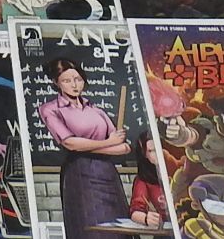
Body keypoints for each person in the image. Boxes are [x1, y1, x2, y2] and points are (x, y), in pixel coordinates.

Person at [36, 49, 148, 239]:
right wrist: (108, 143)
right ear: (56, 82)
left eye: (78, 79)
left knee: (119, 228)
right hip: (79, 174)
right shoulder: (50, 109)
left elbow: (124, 146)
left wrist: (109, 144)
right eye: (67, 80)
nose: (74, 85)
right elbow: (70, 143)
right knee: (90, 226)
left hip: (107, 173)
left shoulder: (96, 110)